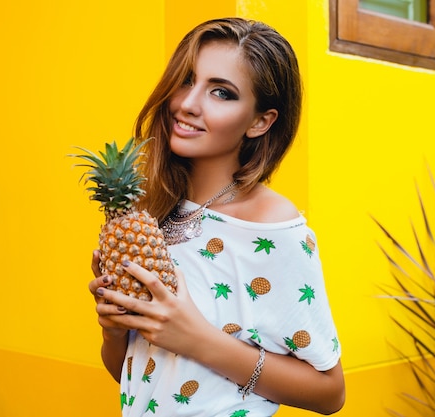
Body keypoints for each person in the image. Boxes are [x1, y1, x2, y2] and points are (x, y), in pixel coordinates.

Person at [88, 17, 345, 416]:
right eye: (187, 80)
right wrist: (114, 331)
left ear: (261, 121)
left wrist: (196, 339)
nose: (188, 104)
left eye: (222, 93)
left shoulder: (272, 226)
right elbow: (137, 377)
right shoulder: (149, 214)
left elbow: (330, 393)